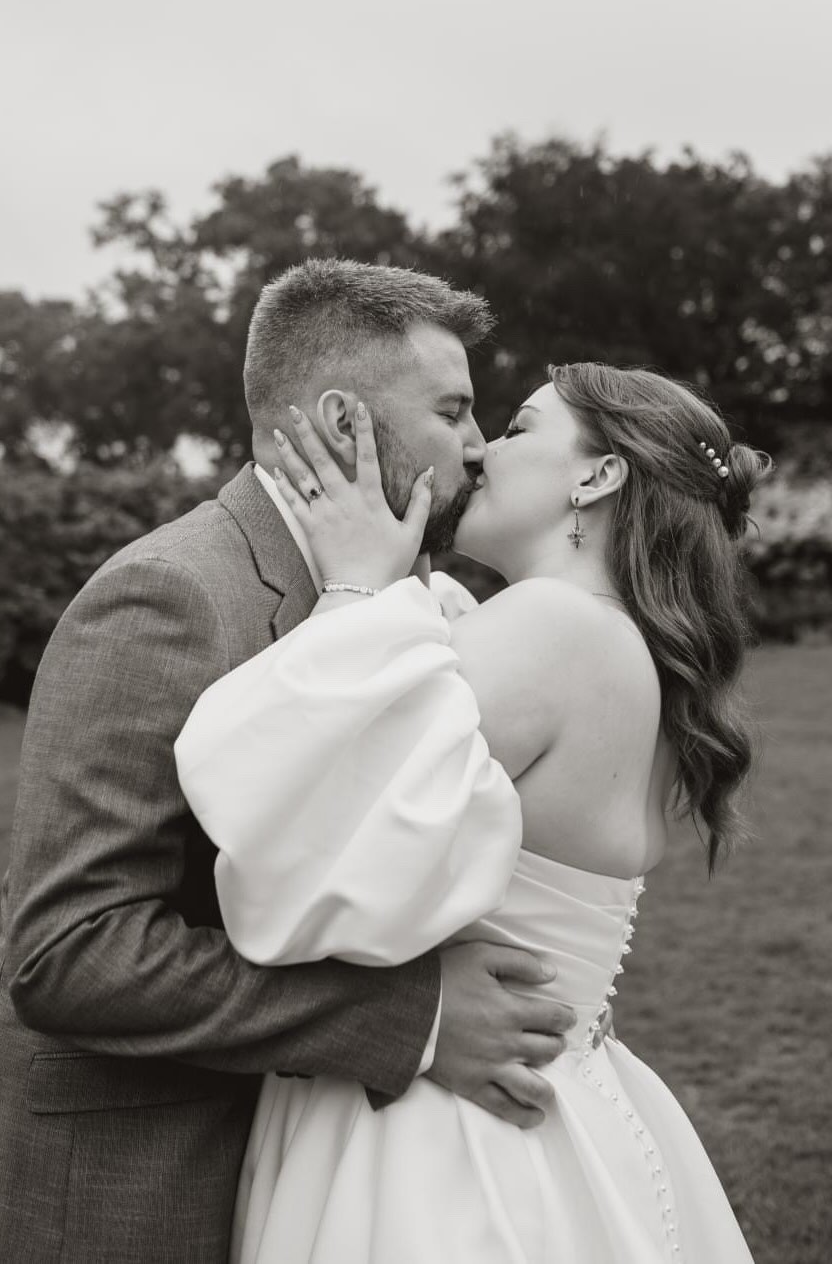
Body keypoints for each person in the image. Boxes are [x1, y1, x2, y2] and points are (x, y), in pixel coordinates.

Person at [0, 261, 577, 1264]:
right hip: (153, 1184)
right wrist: (414, 1016)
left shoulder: (410, 597)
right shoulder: (168, 598)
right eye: (453, 411)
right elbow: (67, 953)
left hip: (328, 1173)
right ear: (345, 423)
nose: (481, 450)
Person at [176, 353, 770, 1262]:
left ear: (598, 475)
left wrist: (354, 594)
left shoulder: (555, 628)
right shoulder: (614, 640)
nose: (484, 450)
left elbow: (318, 831)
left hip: (442, 1139)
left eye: (522, 426)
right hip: (553, 1092)